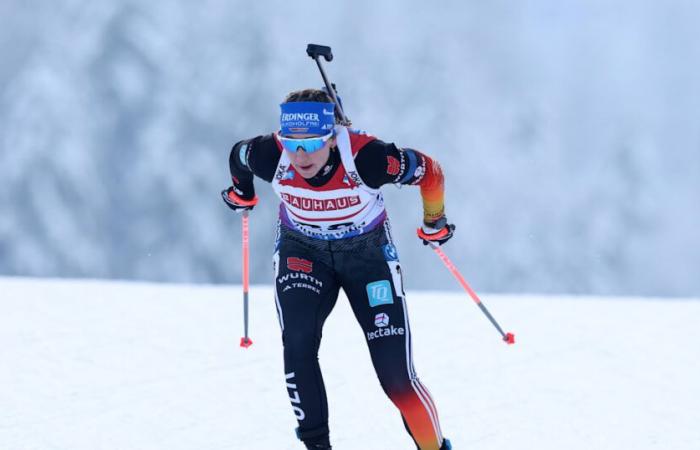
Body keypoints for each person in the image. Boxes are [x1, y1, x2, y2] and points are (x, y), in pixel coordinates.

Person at [222, 88, 455, 450]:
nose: (300, 155)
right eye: (291, 142)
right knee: (298, 344)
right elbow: (239, 157)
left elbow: (431, 172)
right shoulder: (268, 154)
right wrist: (243, 193)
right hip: (303, 252)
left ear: (332, 137)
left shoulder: (370, 158)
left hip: (368, 257)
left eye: (312, 142)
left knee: (396, 378)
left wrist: (434, 221)